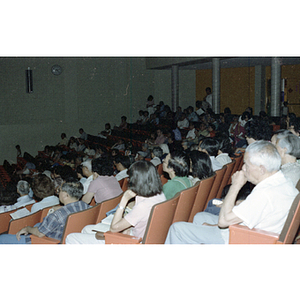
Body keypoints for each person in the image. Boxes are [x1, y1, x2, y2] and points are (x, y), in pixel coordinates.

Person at [165, 141, 299, 244]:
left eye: (246, 164)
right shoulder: (283, 181)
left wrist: (236, 185)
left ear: (262, 169)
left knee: (177, 229)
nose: (243, 168)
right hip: (252, 232)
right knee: (200, 217)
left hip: (243, 239)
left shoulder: (265, 193)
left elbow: (223, 221)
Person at [65, 160, 166, 244]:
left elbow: (114, 229)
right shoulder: (160, 194)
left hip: (132, 241)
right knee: (87, 229)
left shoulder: (143, 206)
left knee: (71, 238)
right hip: (139, 235)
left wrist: (123, 201)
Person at [0, 181, 89, 244]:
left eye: (60, 190)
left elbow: (40, 233)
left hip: (48, 241)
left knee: (2, 238)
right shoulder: (85, 206)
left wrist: (27, 228)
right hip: (66, 235)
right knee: (38, 224)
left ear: (66, 195)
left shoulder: (57, 215)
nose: (58, 193)